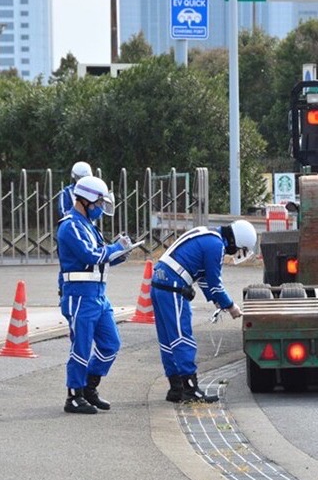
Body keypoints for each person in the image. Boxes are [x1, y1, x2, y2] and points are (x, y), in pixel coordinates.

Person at [150, 220, 257, 404]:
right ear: (236, 242)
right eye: (239, 249)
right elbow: (215, 283)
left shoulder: (209, 234)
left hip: (160, 283)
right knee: (182, 338)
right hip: (173, 286)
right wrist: (231, 306)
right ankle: (190, 390)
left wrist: (217, 301)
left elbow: (204, 280)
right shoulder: (216, 245)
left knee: (168, 339)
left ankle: (176, 388)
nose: (234, 253)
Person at [57, 175, 134, 414]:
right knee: (81, 347)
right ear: (86, 200)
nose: (100, 209)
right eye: (99, 204)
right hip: (80, 296)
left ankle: (89, 386)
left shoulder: (88, 225)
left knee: (111, 343)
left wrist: (120, 254)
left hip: (98, 294)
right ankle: (74, 395)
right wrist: (115, 249)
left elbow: (100, 259)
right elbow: (91, 255)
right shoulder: (70, 224)